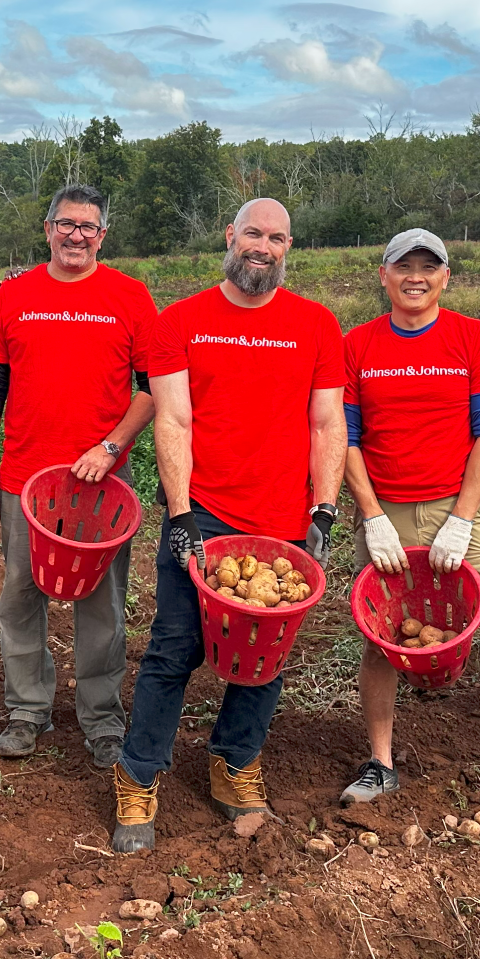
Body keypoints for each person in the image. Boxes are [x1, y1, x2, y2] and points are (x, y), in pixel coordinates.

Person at [112, 198, 346, 853]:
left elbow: (327, 423)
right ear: (230, 236)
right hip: (205, 510)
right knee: (174, 648)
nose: (262, 247)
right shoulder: (180, 321)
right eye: (252, 234)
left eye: (275, 238)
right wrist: (181, 514)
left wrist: (323, 509)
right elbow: (173, 420)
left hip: (282, 520)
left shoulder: (316, 325)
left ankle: (234, 760)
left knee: (265, 655)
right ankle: (138, 772)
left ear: (287, 247)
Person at [333, 230, 480, 818]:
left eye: (428, 267)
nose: (415, 277)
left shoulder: (473, 338)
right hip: (384, 510)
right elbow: (344, 438)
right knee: (382, 641)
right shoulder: (356, 345)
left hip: (457, 505)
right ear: (383, 275)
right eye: (403, 266)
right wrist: (370, 518)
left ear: (446, 278)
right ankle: (381, 764)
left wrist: (463, 518)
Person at [0, 184, 158, 768]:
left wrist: (111, 445)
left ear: (104, 235)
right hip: (25, 477)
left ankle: (102, 717)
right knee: (21, 596)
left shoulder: (130, 297)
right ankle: (27, 708)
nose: (77, 235)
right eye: (66, 224)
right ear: (47, 227)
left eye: (89, 226)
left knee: (101, 603)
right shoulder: (14, 297)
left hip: (101, 486)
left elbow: (153, 389)